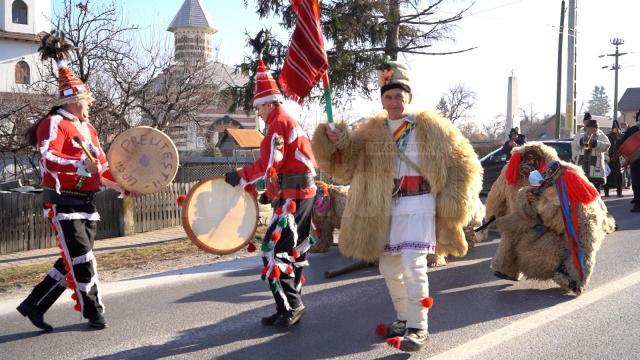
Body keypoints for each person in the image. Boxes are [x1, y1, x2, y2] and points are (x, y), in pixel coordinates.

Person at [312, 59, 482, 352]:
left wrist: (453, 202)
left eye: (398, 96)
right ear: (382, 99)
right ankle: (404, 319)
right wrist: (335, 141)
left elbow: (465, 163)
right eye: (388, 96)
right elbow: (346, 164)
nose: (393, 102)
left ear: (409, 97)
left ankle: (420, 327)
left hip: (420, 205)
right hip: (384, 209)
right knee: (390, 268)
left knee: (413, 265)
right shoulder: (369, 132)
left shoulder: (432, 127)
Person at [17, 32, 124, 331]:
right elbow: (47, 158)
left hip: (88, 204)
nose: (90, 104)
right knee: (83, 260)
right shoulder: (53, 124)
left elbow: (101, 165)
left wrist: (123, 184)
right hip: (63, 203)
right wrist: (79, 164)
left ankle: (33, 305)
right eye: (87, 100)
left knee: (71, 260)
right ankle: (94, 311)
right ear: (75, 100)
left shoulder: (88, 128)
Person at [224, 58, 317, 330]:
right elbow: (285, 164)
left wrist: (240, 175)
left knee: (274, 251)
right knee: (293, 251)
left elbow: (269, 164)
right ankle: (287, 305)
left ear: (268, 103)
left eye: (258, 107)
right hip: (298, 192)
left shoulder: (278, 124)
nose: (258, 113)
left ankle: (291, 306)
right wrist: (270, 192)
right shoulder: (285, 120)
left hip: (295, 195)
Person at [486, 142, 559, 281]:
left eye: (533, 160)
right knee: (511, 235)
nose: (529, 163)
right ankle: (506, 268)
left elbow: (557, 193)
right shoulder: (510, 171)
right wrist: (492, 214)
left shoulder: (552, 169)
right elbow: (497, 194)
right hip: (517, 213)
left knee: (543, 244)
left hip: (542, 215)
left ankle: (552, 270)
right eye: (526, 160)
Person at [571, 118, 610, 192]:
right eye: (588, 128)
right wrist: (580, 142)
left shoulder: (601, 136)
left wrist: (595, 143)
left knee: (595, 192)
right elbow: (573, 144)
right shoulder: (581, 135)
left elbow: (607, 145)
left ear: (595, 128)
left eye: (591, 128)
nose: (589, 129)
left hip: (596, 168)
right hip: (582, 166)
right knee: (582, 191)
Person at [621, 110, 640, 212]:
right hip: (635, 160)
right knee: (636, 183)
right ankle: (637, 204)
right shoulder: (633, 129)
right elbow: (624, 143)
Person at [604, 120, 624, 197]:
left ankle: (619, 192)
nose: (615, 129)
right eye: (614, 128)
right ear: (612, 129)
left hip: (619, 159)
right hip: (610, 158)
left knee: (619, 176)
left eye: (617, 128)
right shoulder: (608, 136)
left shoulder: (621, 136)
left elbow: (624, 146)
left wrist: (620, 137)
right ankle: (606, 191)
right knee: (607, 175)